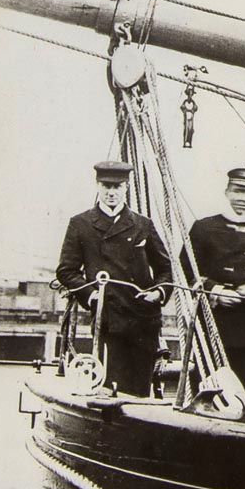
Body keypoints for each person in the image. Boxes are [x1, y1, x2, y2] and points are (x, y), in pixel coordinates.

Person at [56, 160, 172, 397]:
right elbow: (67, 270)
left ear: (126, 188)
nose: (111, 192)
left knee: (140, 393)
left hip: (143, 318)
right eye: (106, 186)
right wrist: (90, 296)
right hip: (108, 317)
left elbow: (165, 268)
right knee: (109, 390)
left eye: (117, 187)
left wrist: (158, 293)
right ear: (97, 185)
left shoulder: (143, 224)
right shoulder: (81, 224)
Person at [185, 167, 245, 396]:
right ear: (227, 192)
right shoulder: (203, 228)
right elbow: (186, 273)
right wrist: (215, 291)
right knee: (208, 392)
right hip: (214, 326)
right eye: (238, 191)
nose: (243, 199)